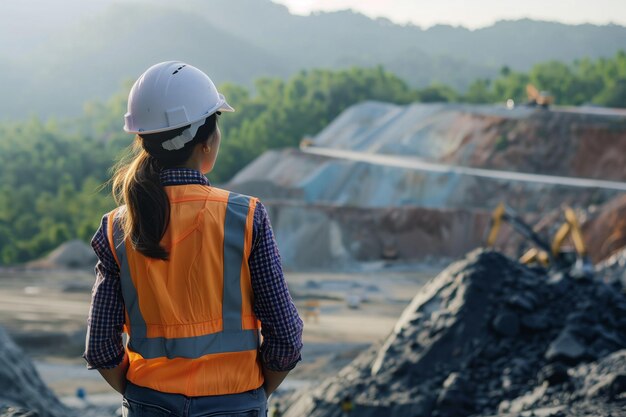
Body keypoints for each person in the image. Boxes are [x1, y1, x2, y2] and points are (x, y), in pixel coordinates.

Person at [83, 61, 303, 417]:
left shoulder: (117, 227)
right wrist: (255, 395)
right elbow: (286, 337)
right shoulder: (245, 216)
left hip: (148, 403)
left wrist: (143, 399)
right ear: (206, 141)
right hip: (236, 402)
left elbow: (101, 349)